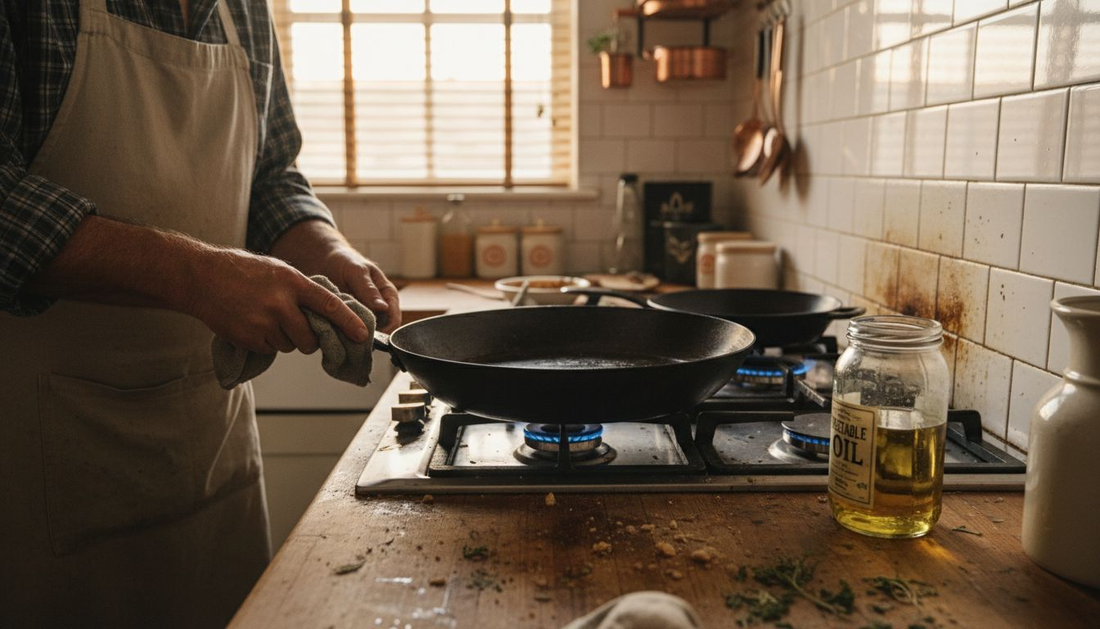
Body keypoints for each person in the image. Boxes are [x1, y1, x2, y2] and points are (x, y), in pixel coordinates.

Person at [0, 0, 401, 626]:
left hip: (209, 445)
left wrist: (328, 250)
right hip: (45, 457)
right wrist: (198, 275)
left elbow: (271, 177)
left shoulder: (243, 10)